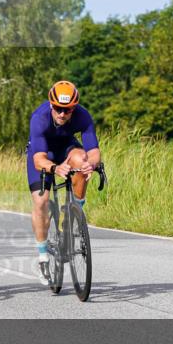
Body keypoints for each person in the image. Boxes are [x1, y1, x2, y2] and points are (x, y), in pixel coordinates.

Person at [26, 81, 102, 285]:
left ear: (73, 108)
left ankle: (74, 215)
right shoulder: (39, 118)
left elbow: (94, 151)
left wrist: (92, 165)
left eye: (67, 110)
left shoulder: (82, 116)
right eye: (58, 109)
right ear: (51, 105)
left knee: (83, 160)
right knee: (41, 201)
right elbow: (38, 160)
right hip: (43, 154)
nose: (62, 114)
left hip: (66, 148)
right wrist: (55, 168)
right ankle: (43, 257)